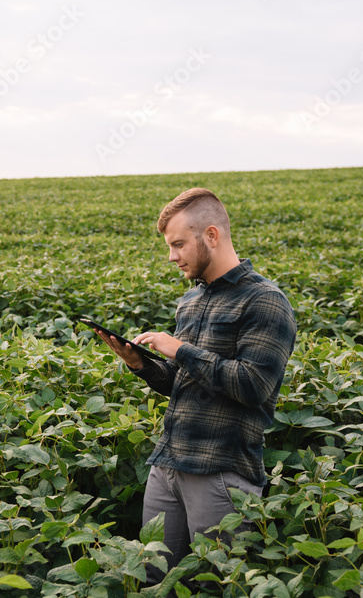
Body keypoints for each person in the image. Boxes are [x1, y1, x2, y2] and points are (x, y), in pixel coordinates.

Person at [94, 187, 297, 581]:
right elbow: (184, 381)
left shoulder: (265, 301)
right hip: (167, 465)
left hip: (221, 472)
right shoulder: (190, 301)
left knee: (218, 583)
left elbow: (254, 385)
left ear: (211, 235)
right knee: (153, 579)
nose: (172, 256)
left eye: (178, 244)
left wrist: (181, 349)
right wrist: (141, 364)